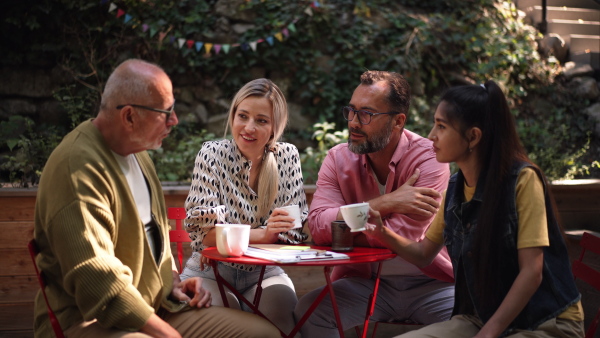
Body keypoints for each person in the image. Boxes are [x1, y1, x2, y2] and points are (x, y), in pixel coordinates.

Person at [32, 59, 279, 338]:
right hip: (90, 321)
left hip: (156, 307)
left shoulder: (138, 153)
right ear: (129, 117)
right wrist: (168, 334)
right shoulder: (77, 169)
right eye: (166, 112)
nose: (174, 120)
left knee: (264, 334)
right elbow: (100, 287)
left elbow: (155, 239)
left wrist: (172, 281)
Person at [365, 80, 585, 337]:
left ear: (473, 136)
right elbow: (424, 254)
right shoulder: (455, 189)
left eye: (442, 126)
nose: (431, 135)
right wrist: (381, 232)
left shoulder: (522, 181)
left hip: (545, 322)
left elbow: (532, 272)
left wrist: (488, 333)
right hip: (481, 318)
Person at [294, 70, 455, 337]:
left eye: (366, 114)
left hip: (432, 284)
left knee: (478, 321)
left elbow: (406, 236)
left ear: (398, 121)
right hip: (364, 282)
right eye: (351, 111)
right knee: (308, 314)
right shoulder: (337, 159)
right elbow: (319, 226)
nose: (354, 123)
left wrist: (344, 231)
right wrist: (386, 203)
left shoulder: (430, 159)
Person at [180, 78, 309, 334]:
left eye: (261, 120)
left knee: (285, 327)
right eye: (243, 116)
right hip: (211, 270)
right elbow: (207, 236)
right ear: (233, 116)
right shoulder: (212, 154)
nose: (248, 128)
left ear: (274, 127)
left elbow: (292, 233)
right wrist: (263, 234)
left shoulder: (287, 157)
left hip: (265, 271)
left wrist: (234, 235)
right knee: (218, 327)